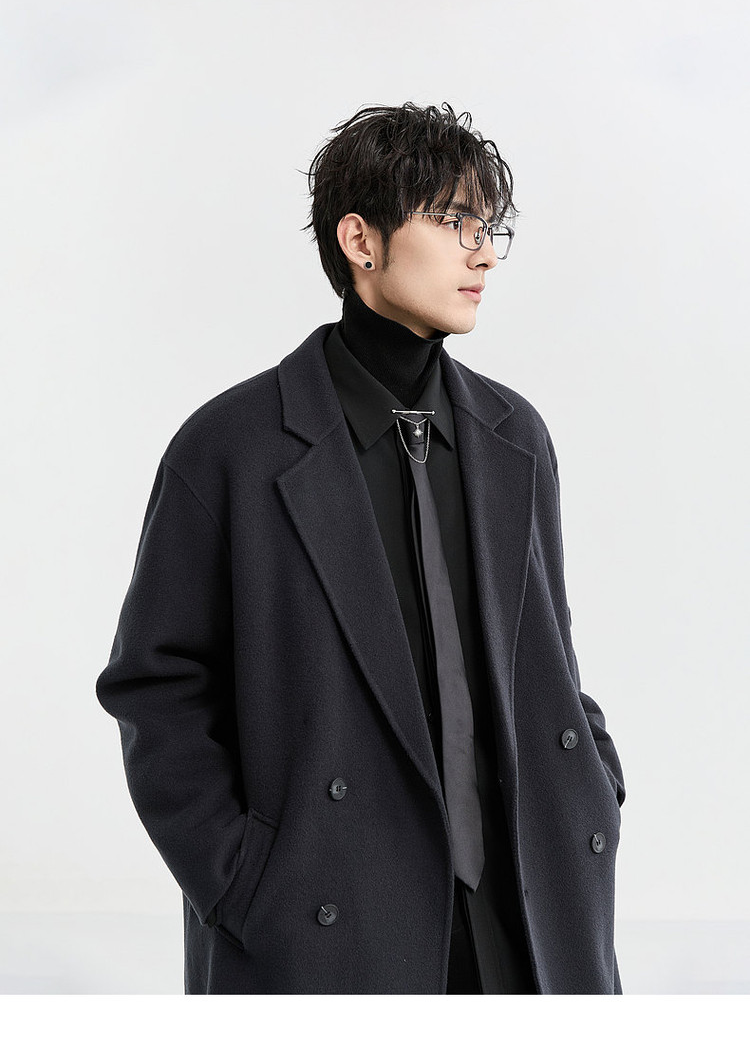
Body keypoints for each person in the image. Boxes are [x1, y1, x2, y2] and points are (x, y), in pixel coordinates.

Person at [96, 101, 625, 994]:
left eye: (489, 228)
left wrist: (594, 783)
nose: (483, 254)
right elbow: (157, 684)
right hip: (326, 919)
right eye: (453, 222)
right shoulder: (232, 448)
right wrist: (241, 879)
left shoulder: (514, 435)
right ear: (360, 240)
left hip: (528, 908)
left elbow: (548, 655)